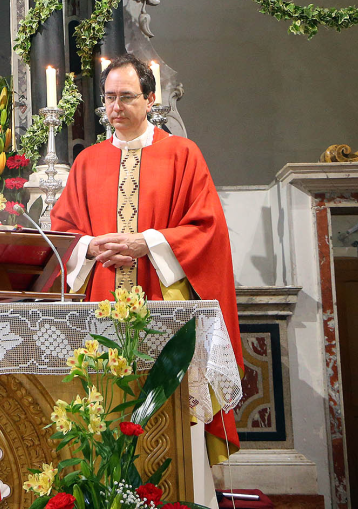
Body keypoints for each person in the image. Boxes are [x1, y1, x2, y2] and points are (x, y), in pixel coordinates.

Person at [50, 54, 242, 489]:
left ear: (151, 99)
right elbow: (61, 234)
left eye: (126, 97)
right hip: (100, 306)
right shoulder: (87, 162)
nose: (115, 108)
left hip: (162, 305)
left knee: (169, 414)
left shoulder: (182, 154)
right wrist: (91, 246)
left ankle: (178, 493)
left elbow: (207, 229)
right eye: (108, 99)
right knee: (105, 410)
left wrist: (147, 244)